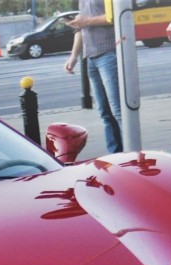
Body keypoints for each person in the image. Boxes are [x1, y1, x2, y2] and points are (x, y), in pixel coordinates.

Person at [64, 0, 123, 154]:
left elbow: (116, 16)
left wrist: (86, 21)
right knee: (105, 113)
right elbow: (80, 28)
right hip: (91, 57)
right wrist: (74, 56)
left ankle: (132, 153)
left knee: (118, 111)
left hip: (108, 53)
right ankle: (116, 155)